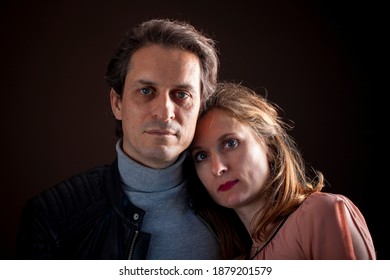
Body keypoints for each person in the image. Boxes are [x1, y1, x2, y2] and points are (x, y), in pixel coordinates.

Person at [16, 18, 222, 260]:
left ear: (200, 107)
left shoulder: (232, 202)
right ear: (117, 103)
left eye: (181, 94)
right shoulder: (51, 218)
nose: (165, 112)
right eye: (146, 91)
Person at [189, 82, 376, 260]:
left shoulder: (320, 213)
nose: (218, 168)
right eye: (202, 156)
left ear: (269, 147)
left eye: (230, 143)